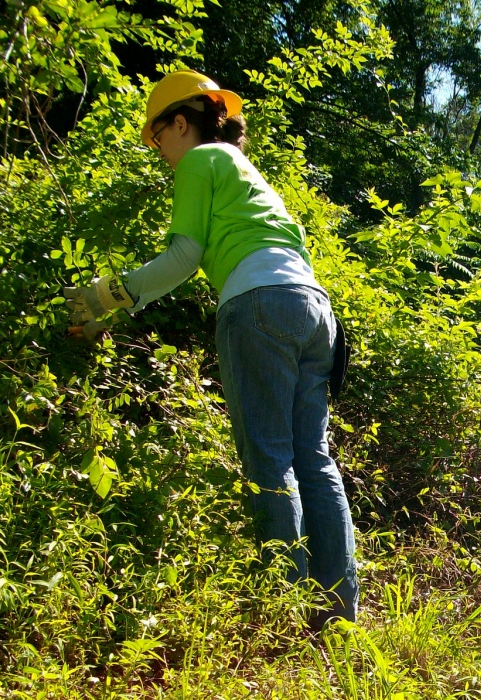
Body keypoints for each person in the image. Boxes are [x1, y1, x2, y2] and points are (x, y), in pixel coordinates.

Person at [62, 71, 358, 628]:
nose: (160, 155)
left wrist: (104, 295)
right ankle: (337, 616)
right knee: (314, 460)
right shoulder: (249, 174)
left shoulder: (202, 161)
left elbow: (181, 260)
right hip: (315, 311)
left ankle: (285, 619)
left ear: (180, 122)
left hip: (259, 306)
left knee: (269, 459)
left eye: (158, 139)